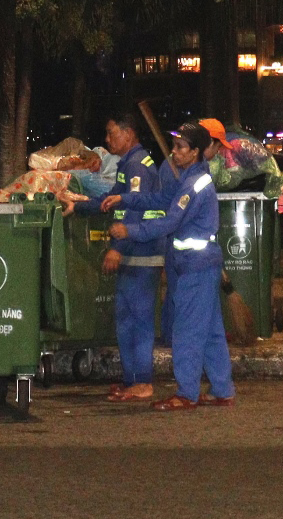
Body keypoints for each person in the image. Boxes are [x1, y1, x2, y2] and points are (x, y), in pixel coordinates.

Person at [113, 122, 234, 411]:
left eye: (180, 147)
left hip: (196, 267)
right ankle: (222, 389)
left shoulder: (194, 185)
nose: (174, 152)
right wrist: (124, 198)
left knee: (187, 331)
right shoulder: (190, 179)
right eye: (175, 146)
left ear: (194, 152)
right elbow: (160, 199)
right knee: (211, 331)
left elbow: (170, 222)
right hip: (201, 265)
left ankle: (187, 394)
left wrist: (130, 231)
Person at [58, 114, 165, 401]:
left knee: (138, 321)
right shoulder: (127, 165)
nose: (107, 140)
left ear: (128, 134)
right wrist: (77, 206)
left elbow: (133, 210)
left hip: (142, 253)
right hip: (134, 253)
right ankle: (131, 381)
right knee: (126, 320)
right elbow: (111, 201)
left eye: (111, 133)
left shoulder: (136, 166)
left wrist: (117, 249)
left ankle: (142, 382)